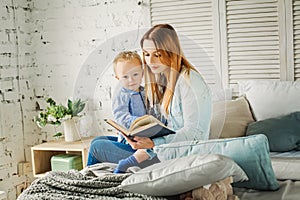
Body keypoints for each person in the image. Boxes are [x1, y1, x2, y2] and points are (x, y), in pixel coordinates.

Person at [87, 24, 211, 170]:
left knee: (97, 146)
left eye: (157, 54)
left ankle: (84, 187)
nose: (150, 61)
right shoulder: (163, 81)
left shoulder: (190, 81)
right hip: (158, 150)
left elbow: (194, 134)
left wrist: (153, 144)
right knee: (100, 139)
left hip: (174, 154)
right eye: (146, 54)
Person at [87, 51, 157, 172]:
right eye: (125, 77)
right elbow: (121, 116)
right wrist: (139, 122)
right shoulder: (121, 94)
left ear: (142, 73)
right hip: (130, 139)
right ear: (118, 78)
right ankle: (90, 174)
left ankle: (87, 177)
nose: (131, 80)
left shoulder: (145, 92)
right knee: (96, 140)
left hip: (142, 144)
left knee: (96, 146)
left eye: (135, 74)